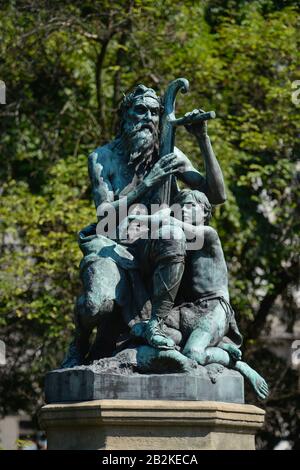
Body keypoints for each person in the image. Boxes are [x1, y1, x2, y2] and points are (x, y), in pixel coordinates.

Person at [62, 84, 226, 367]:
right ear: (125, 116)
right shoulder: (103, 158)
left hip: (154, 245)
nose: (147, 117)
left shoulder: (169, 151)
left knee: (173, 234)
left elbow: (217, 195)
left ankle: (156, 324)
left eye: (154, 112)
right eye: (140, 110)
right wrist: (149, 182)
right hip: (113, 245)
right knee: (95, 305)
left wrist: (203, 138)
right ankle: (79, 342)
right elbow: (105, 215)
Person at [126, 189, 269, 399]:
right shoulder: (182, 243)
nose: (184, 209)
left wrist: (147, 218)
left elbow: (176, 226)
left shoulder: (208, 234)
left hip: (214, 308)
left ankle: (238, 364)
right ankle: (215, 344)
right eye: (181, 206)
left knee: (193, 354)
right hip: (188, 310)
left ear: (205, 213)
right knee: (143, 329)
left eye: (192, 206)